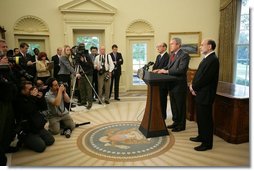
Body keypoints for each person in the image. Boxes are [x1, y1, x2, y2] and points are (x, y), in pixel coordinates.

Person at [189, 39, 219, 151]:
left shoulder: (213, 60)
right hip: (200, 93)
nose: (200, 47)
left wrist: (194, 87)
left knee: (206, 120)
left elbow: (205, 79)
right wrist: (192, 85)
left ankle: (207, 144)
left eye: (202, 45)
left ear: (210, 46)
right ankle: (201, 136)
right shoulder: (207, 58)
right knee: (200, 118)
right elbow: (198, 75)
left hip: (206, 95)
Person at [154, 38, 190, 132]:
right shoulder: (172, 55)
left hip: (179, 85)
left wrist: (166, 71)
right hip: (172, 84)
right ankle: (175, 122)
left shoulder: (184, 55)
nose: (170, 46)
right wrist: (160, 70)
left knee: (180, 106)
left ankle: (181, 125)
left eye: (172, 44)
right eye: (170, 44)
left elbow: (181, 70)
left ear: (178, 44)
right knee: (174, 105)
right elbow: (168, 66)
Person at [15, 81, 55, 152]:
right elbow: (28, 110)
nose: (32, 90)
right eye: (29, 89)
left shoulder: (31, 97)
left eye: (32, 88)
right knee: (41, 147)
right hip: (27, 130)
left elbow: (44, 108)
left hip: (36, 126)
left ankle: (35, 138)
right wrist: (32, 97)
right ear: (22, 90)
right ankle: (23, 140)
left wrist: (41, 98)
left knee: (50, 141)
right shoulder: (18, 100)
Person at [152, 42, 169, 120]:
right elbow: (155, 66)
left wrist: (158, 70)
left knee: (162, 99)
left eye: (159, 46)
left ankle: (163, 116)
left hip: (163, 81)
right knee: (158, 99)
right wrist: (154, 70)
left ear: (165, 48)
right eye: (157, 46)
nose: (158, 48)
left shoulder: (167, 56)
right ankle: (158, 114)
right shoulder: (158, 56)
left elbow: (166, 67)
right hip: (157, 80)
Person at [76, 44, 94, 109]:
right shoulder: (78, 55)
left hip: (88, 74)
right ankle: (83, 101)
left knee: (88, 89)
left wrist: (83, 61)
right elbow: (77, 63)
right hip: (81, 74)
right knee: (81, 88)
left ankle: (90, 103)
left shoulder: (87, 55)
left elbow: (91, 66)